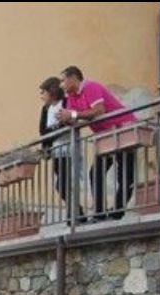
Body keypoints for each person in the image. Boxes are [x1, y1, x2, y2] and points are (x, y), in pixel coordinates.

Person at [57, 65, 140, 220]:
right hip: (106, 136)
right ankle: (100, 213)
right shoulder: (70, 97)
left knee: (125, 173)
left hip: (123, 128)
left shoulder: (90, 86)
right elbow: (75, 119)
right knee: (96, 172)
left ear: (74, 77)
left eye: (63, 80)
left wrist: (73, 114)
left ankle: (118, 212)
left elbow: (99, 110)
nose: (61, 85)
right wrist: (65, 119)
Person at [39, 76, 85, 223]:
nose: (42, 96)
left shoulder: (66, 102)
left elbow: (70, 121)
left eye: (43, 92)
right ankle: (76, 211)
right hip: (57, 151)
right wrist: (46, 147)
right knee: (61, 184)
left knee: (66, 182)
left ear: (51, 92)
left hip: (70, 147)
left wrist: (55, 129)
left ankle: (75, 213)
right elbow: (42, 131)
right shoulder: (46, 109)